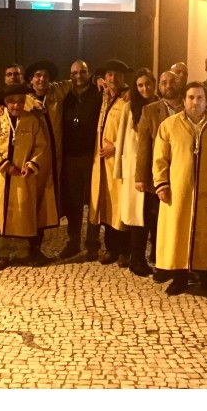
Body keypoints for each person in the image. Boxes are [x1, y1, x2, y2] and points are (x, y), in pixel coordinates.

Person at [153, 82, 207, 298]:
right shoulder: (169, 125)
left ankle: (206, 279)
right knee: (178, 233)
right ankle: (180, 277)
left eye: (200, 98)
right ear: (184, 100)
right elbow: (160, 158)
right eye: (191, 98)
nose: (195, 102)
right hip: (178, 192)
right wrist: (161, 183)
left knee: (206, 234)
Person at [0, 84, 48, 270]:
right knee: (0, 211)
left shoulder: (31, 120)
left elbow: (40, 145)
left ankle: (22, 251)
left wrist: (32, 164)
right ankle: (2, 253)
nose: (16, 105)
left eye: (20, 101)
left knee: (22, 212)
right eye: (12, 102)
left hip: (22, 175)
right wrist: (3, 164)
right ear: (5, 102)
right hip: (2, 175)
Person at [136, 70, 184, 283]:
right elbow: (143, 146)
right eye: (164, 82)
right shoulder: (149, 110)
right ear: (160, 86)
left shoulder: (190, 106)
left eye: (172, 81)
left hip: (184, 173)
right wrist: (140, 176)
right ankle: (162, 263)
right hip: (159, 174)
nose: (168, 85)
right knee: (158, 222)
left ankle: (183, 264)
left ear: (179, 82)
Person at [24, 60, 73, 264]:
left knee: (46, 203)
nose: (41, 79)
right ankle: (28, 247)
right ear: (31, 79)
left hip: (55, 160)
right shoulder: (24, 100)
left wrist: (98, 79)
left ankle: (37, 245)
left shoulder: (56, 92)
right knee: (32, 202)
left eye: (45, 75)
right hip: (34, 160)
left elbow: (78, 81)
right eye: (37, 75)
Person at [114, 67, 158, 277]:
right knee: (138, 217)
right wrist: (119, 170)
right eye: (140, 85)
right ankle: (136, 259)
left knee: (155, 215)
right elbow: (121, 137)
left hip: (157, 167)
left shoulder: (161, 105)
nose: (144, 88)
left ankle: (157, 257)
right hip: (134, 167)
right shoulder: (129, 107)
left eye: (147, 84)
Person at [90, 59, 132, 266]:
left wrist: (115, 146)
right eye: (109, 74)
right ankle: (111, 248)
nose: (113, 78)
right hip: (102, 164)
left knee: (120, 206)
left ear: (123, 78)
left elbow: (132, 131)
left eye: (117, 74)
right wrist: (96, 80)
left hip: (118, 161)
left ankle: (125, 250)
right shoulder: (105, 97)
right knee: (106, 207)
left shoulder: (127, 100)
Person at [60, 60, 103, 260]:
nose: (78, 76)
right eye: (75, 72)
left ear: (89, 73)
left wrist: (98, 79)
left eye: (82, 72)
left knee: (93, 200)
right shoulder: (65, 95)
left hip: (91, 155)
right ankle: (73, 242)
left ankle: (92, 243)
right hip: (71, 156)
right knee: (73, 202)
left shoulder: (98, 94)